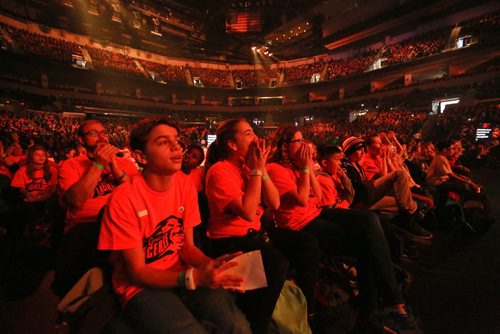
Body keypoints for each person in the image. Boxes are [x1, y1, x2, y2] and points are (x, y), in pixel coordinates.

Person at [98, 117, 251, 334]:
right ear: (141, 156)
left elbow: (186, 247)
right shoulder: (124, 198)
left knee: (238, 326)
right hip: (142, 288)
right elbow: (137, 272)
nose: (176, 146)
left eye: (177, 140)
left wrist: (212, 266)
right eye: (162, 142)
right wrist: (191, 278)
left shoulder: (184, 185)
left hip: (181, 272)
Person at [267, 125, 422, 333]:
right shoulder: (275, 169)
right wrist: (306, 168)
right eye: (298, 141)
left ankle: (382, 305)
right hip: (299, 224)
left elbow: (320, 197)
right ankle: (387, 306)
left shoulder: (299, 166)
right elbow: (303, 199)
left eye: (304, 140)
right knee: (365, 245)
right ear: (285, 146)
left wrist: (307, 166)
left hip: (316, 213)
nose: (304, 145)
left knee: (369, 219)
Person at [204, 119, 320, 333]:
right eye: (248, 134)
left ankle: (306, 309)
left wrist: (260, 171)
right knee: (276, 263)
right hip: (227, 242)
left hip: (256, 233)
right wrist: (257, 172)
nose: (256, 138)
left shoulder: (248, 167)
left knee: (306, 243)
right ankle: (257, 325)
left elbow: (274, 202)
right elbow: (248, 212)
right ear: (232, 144)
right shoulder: (219, 171)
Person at [53, 119, 139, 296]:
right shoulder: (70, 165)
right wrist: (98, 165)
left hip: (122, 224)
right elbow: (75, 200)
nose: (101, 137)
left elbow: (138, 195)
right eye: (93, 133)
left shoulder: (125, 164)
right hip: (87, 226)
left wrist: (115, 168)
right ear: (81, 140)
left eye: (103, 133)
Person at [343, 136, 432, 239]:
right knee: (400, 174)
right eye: (359, 150)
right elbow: (377, 179)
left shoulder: (357, 165)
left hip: (368, 197)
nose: (363, 152)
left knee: (406, 203)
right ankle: (408, 220)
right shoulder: (347, 166)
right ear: (350, 151)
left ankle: (403, 229)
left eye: (363, 149)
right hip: (362, 199)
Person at [10, 145, 58, 239]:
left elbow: (53, 189)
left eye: (43, 154)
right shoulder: (23, 170)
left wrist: (42, 197)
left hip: (47, 199)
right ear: (31, 156)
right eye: (37, 155)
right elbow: (19, 187)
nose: (41, 157)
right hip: (29, 199)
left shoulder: (52, 170)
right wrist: (27, 193)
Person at [316, 144, 354, 209]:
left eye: (340, 159)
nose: (340, 163)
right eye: (337, 159)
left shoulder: (335, 175)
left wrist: (343, 177)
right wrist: (347, 202)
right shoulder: (322, 180)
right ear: (324, 163)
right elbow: (331, 210)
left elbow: (351, 194)